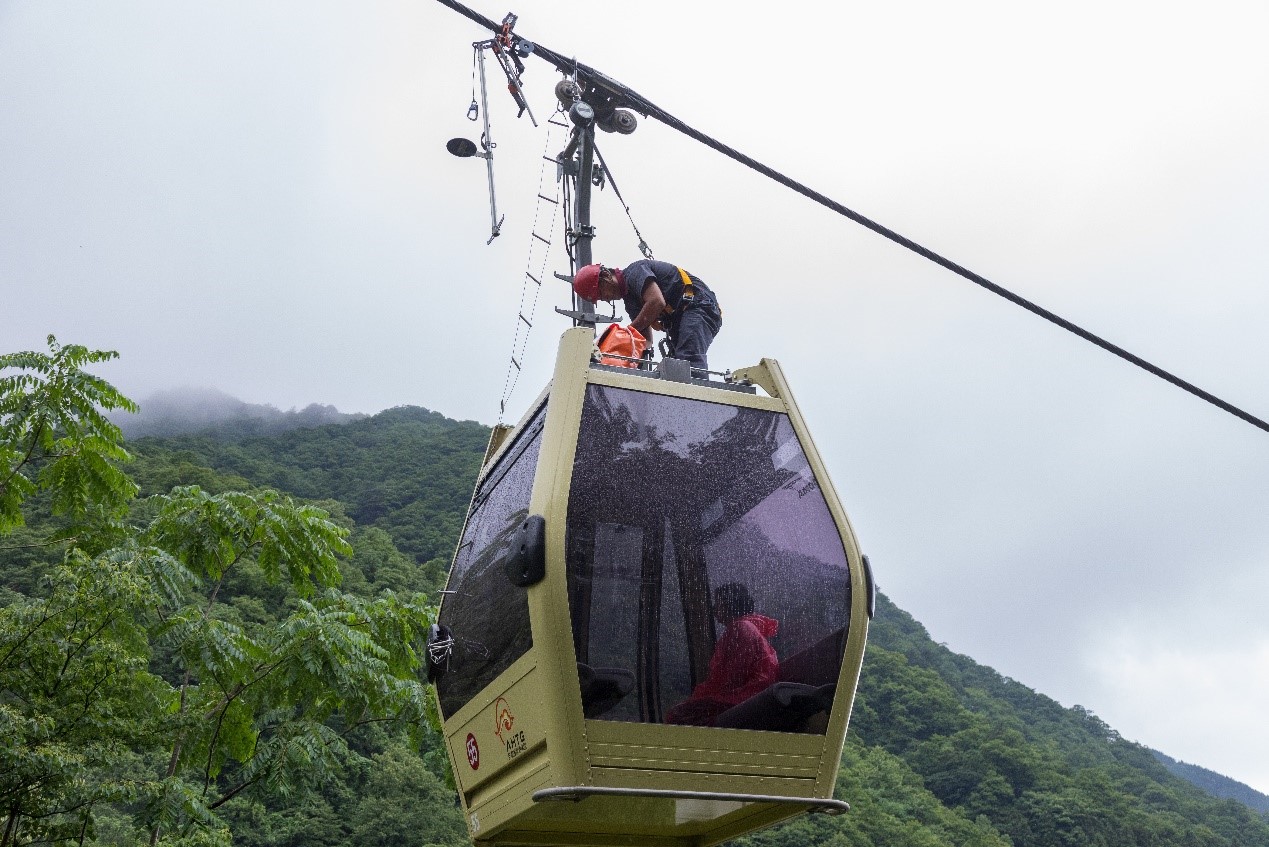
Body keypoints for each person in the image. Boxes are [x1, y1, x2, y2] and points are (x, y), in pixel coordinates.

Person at [573, 260, 722, 374]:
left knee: (688, 358)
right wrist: (624, 358)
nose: (605, 299)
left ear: (606, 276)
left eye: (601, 293)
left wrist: (626, 332)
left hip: (699, 305)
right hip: (682, 317)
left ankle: (696, 406)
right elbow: (645, 340)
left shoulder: (634, 272)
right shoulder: (631, 303)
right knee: (677, 368)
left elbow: (657, 301)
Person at [664, 583, 779, 727]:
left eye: (717, 604)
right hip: (751, 694)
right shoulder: (743, 627)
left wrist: (706, 696)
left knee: (677, 715)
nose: (714, 609)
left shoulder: (741, 628)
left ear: (727, 604)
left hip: (747, 696)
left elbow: (733, 676)